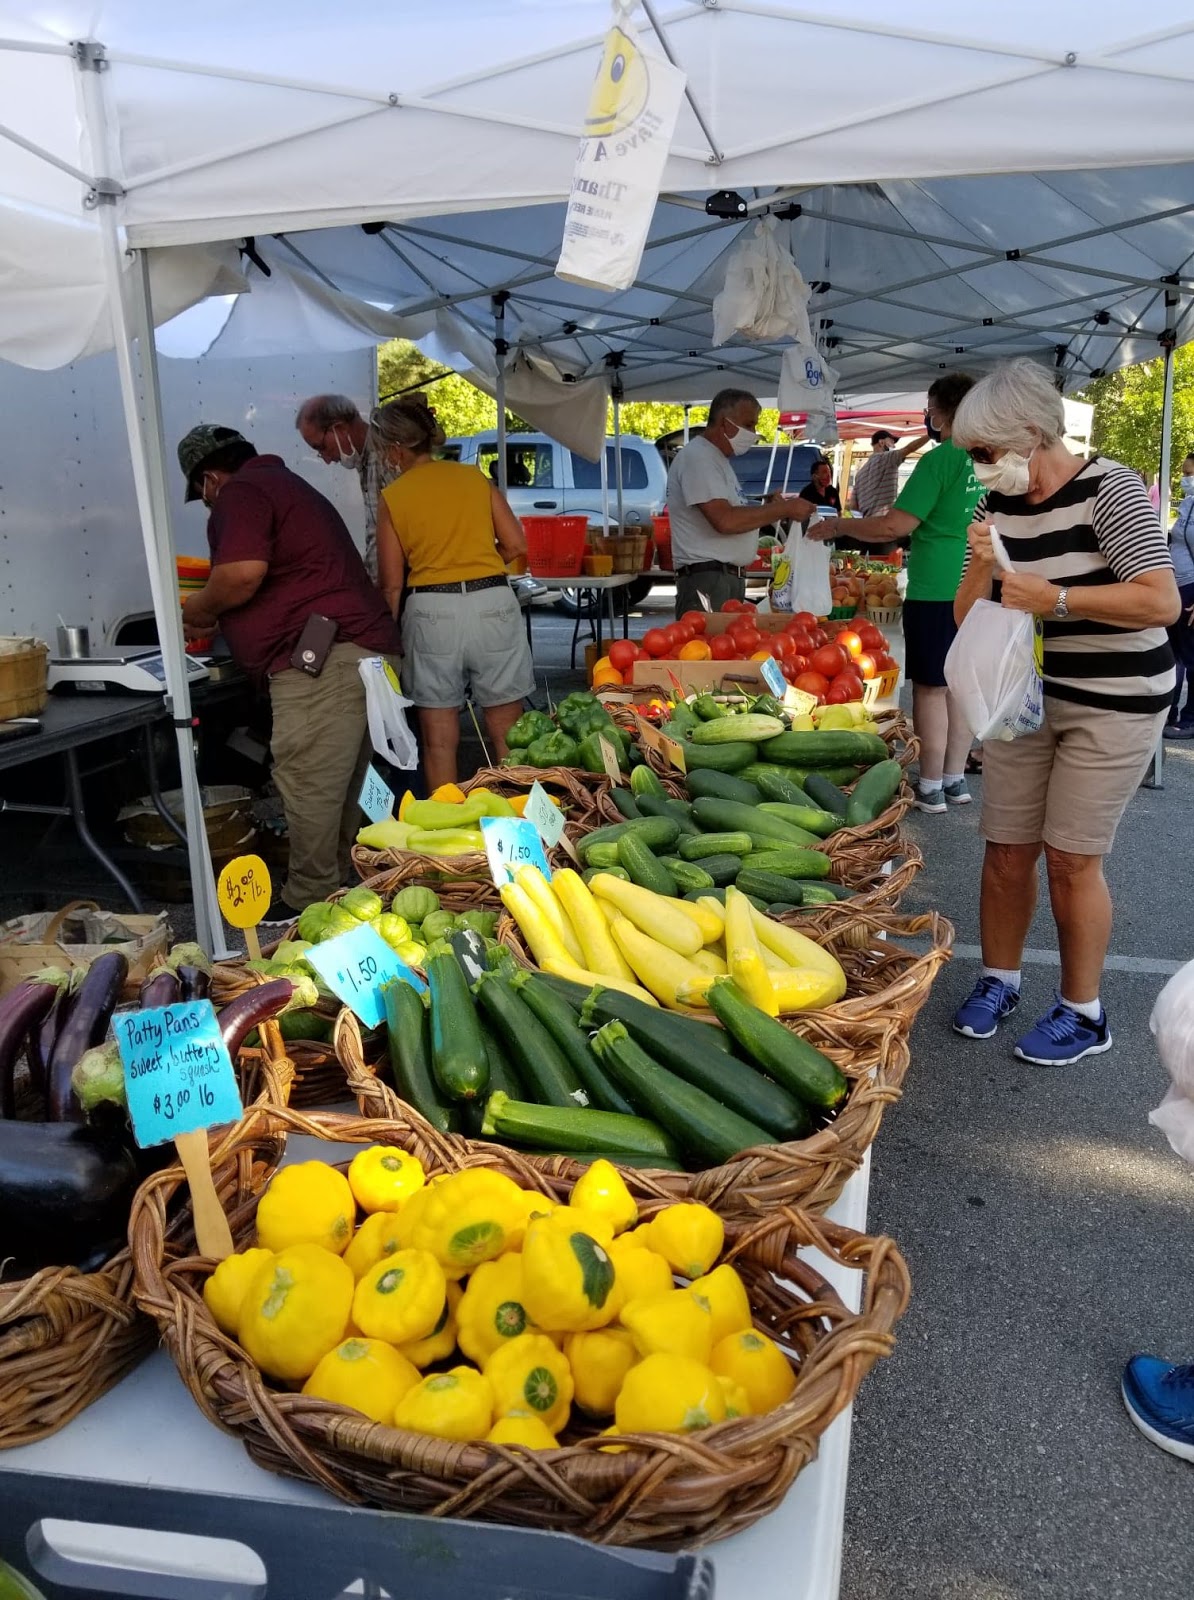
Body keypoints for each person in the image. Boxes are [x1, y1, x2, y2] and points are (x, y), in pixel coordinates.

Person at [949, 359, 1179, 1066]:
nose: (979, 468)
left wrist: (1059, 601)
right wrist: (984, 567)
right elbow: (968, 617)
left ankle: (1085, 1012)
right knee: (1006, 848)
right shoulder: (999, 507)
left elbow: (1160, 600)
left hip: (1115, 699)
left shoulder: (1110, 489)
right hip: (1030, 698)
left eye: (984, 453)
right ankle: (1000, 979)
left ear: (1028, 433)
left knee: (1072, 859)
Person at [178, 424, 400, 924]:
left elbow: (241, 573)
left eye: (201, 496)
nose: (209, 504)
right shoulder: (287, 486)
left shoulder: (242, 492)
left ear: (211, 480)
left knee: (307, 777)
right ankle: (335, 883)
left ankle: (308, 900)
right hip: (358, 648)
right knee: (338, 779)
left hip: (323, 656)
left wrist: (200, 608)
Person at [811, 374, 983, 811]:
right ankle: (954, 779)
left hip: (937, 587)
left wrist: (840, 525)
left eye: (930, 408)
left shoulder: (941, 459)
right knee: (960, 686)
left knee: (930, 687)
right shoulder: (991, 456)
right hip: (980, 586)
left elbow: (894, 525)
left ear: (941, 412)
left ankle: (928, 785)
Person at [372, 396, 534, 789]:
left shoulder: (393, 497)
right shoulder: (473, 478)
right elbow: (515, 544)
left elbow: (392, 584)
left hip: (431, 611)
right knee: (509, 734)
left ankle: (449, 837)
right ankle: (521, 829)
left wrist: (384, 643)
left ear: (395, 450)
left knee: (439, 742)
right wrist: (480, 562)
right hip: (491, 601)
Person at [665, 389, 813, 616]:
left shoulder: (716, 458)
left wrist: (768, 507)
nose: (753, 433)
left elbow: (730, 509)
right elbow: (725, 520)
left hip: (722, 578)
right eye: (749, 424)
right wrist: (782, 509)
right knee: (711, 650)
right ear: (725, 423)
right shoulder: (699, 458)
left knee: (727, 651)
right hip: (709, 580)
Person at [295, 394, 396, 580]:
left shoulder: (385, 460)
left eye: (321, 447)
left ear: (340, 428)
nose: (325, 459)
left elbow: (394, 539)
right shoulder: (366, 460)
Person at [1163, 450, 1194, 738]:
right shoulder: (1188, 503)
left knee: (1190, 655)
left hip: (1192, 586)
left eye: (1189, 473)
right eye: (1184, 473)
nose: (1185, 478)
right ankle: (1169, 712)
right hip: (1178, 583)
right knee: (1175, 653)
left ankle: (1190, 719)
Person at [850, 428, 930, 518]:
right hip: (884, 521)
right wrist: (930, 434)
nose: (894, 446)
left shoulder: (860, 473)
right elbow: (910, 448)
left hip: (867, 523)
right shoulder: (888, 458)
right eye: (891, 442)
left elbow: (853, 506)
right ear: (882, 442)